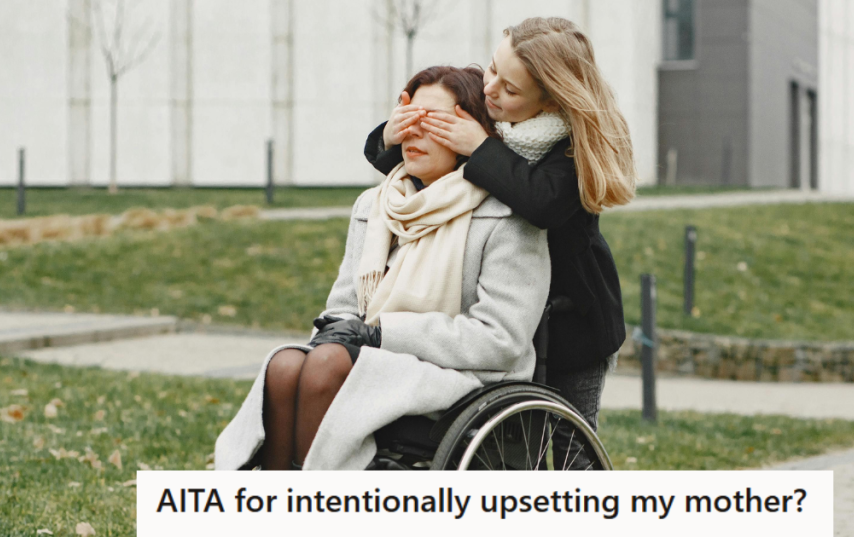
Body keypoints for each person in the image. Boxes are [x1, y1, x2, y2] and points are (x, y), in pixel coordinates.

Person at [214, 65, 550, 471]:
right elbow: (342, 305)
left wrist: (380, 334)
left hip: (462, 374)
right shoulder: (376, 206)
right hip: (374, 359)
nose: (412, 132)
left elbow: (499, 340)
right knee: (285, 366)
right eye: (407, 119)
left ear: (467, 132)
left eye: (433, 122)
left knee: (326, 364)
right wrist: (346, 332)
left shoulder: (507, 218)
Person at [364, 17, 636, 445]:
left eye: (510, 90)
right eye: (493, 69)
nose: (491, 89)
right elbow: (432, 172)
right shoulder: (492, 126)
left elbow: (540, 203)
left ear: (549, 101)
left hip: (571, 324)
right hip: (501, 308)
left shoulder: (567, 149)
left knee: (572, 447)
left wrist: (481, 148)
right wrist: (390, 137)